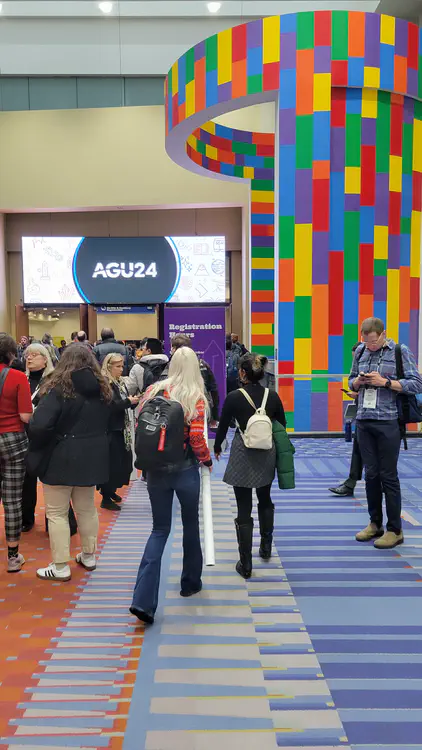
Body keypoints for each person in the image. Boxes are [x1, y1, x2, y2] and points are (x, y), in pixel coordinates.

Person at [130, 346, 212, 625]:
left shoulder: (153, 392)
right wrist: (207, 461)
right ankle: (190, 583)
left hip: (155, 471)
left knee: (159, 529)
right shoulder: (195, 397)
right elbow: (199, 439)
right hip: (186, 469)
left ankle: (143, 601)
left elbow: (140, 428)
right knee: (191, 525)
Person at [27, 344, 112, 581]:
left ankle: (60, 565)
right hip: (93, 455)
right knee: (87, 508)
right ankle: (89, 555)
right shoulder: (103, 389)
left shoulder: (57, 389)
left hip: (61, 456)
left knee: (57, 513)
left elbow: (40, 425)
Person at [349, 317, 422, 549]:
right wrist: (358, 383)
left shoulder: (400, 351)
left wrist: (386, 382)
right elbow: (350, 380)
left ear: (382, 335)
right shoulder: (360, 351)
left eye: (373, 342)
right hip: (364, 420)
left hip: (389, 421)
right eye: (365, 341)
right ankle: (375, 523)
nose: (369, 346)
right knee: (371, 475)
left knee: (388, 475)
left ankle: (395, 530)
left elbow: (416, 384)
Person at [214, 353, 286, 579]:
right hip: (266, 453)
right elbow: (282, 425)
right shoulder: (272, 396)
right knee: (265, 498)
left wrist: (217, 448)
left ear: (243, 373)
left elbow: (223, 426)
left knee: (243, 506)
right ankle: (265, 547)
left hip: (242, 454)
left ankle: (245, 563)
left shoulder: (234, 397)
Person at [0, 335, 33, 572]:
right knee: (12, 500)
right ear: (12, 354)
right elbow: (25, 417)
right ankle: (13, 556)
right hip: (13, 440)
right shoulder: (18, 377)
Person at [21, 342, 55, 532]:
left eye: (34, 355)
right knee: (26, 480)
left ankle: (54, 520)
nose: (29, 358)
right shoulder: (21, 378)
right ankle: (26, 518)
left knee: (51, 482)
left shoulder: (52, 381)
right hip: (24, 434)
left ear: (45, 359)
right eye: (27, 355)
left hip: (45, 435)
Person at [99, 353, 139, 512]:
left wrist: (131, 403)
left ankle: (110, 491)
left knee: (122, 464)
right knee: (113, 465)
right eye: (117, 366)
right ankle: (106, 496)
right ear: (108, 367)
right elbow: (111, 406)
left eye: (122, 366)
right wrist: (129, 402)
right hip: (111, 430)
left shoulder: (118, 383)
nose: (121, 369)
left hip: (120, 429)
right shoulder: (105, 384)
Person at [160, 334, 220, 425]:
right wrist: (214, 415)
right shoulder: (203, 365)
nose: (170, 350)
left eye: (172, 347)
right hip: (200, 409)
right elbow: (213, 389)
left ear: (175, 349)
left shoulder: (170, 367)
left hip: (176, 413)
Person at [329, 343, 363, 496]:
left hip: (385, 418)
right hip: (364, 415)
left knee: (380, 455)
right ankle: (350, 484)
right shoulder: (359, 372)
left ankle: (382, 483)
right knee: (358, 450)